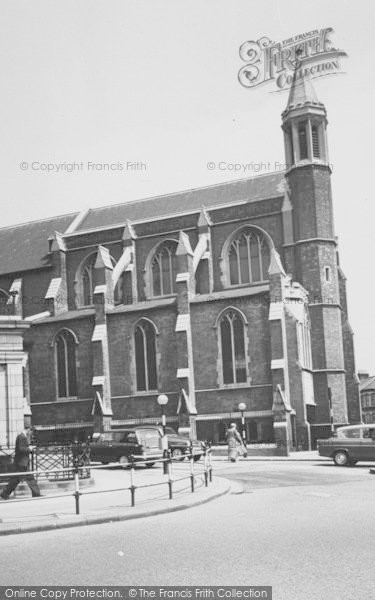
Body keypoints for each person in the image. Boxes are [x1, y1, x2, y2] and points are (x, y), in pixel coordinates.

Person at [0, 425, 42, 499]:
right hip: (22, 462)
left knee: (15, 479)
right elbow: (20, 449)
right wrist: (29, 449)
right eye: (31, 432)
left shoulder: (22, 436)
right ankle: (36, 494)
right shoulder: (21, 437)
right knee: (30, 478)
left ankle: (5, 493)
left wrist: (29, 449)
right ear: (29, 430)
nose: (31, 434)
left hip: (21, 462)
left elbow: (21, 449)